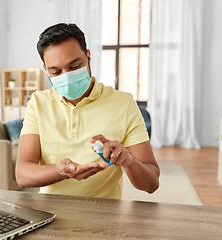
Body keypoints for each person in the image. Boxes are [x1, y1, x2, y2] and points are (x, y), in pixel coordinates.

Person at [15, 23, 160, 199]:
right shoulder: (38, 103)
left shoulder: (124, 103)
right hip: (50, 213)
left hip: (104, 215)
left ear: (88, 56)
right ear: (46, 70)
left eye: (74, 67)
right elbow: (22, 175)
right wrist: (61, 171)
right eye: (56, 71)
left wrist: (128, 160)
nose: (66, 77)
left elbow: (151, 183)